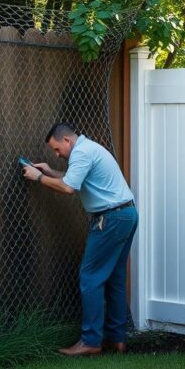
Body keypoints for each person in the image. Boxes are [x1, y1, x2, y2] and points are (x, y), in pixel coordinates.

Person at [22, 123, 137, 356]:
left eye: (56, 149)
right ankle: (117, 340)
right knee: (114, 278)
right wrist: (48, 171)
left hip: (110, 219)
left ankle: (91, 341)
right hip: (126, 214)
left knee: (90, 277)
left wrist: (37, 178)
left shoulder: (82, 152)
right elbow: (72, 178)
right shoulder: (89, 149)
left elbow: (67, 188)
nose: (57, 155)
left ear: (67, 141)